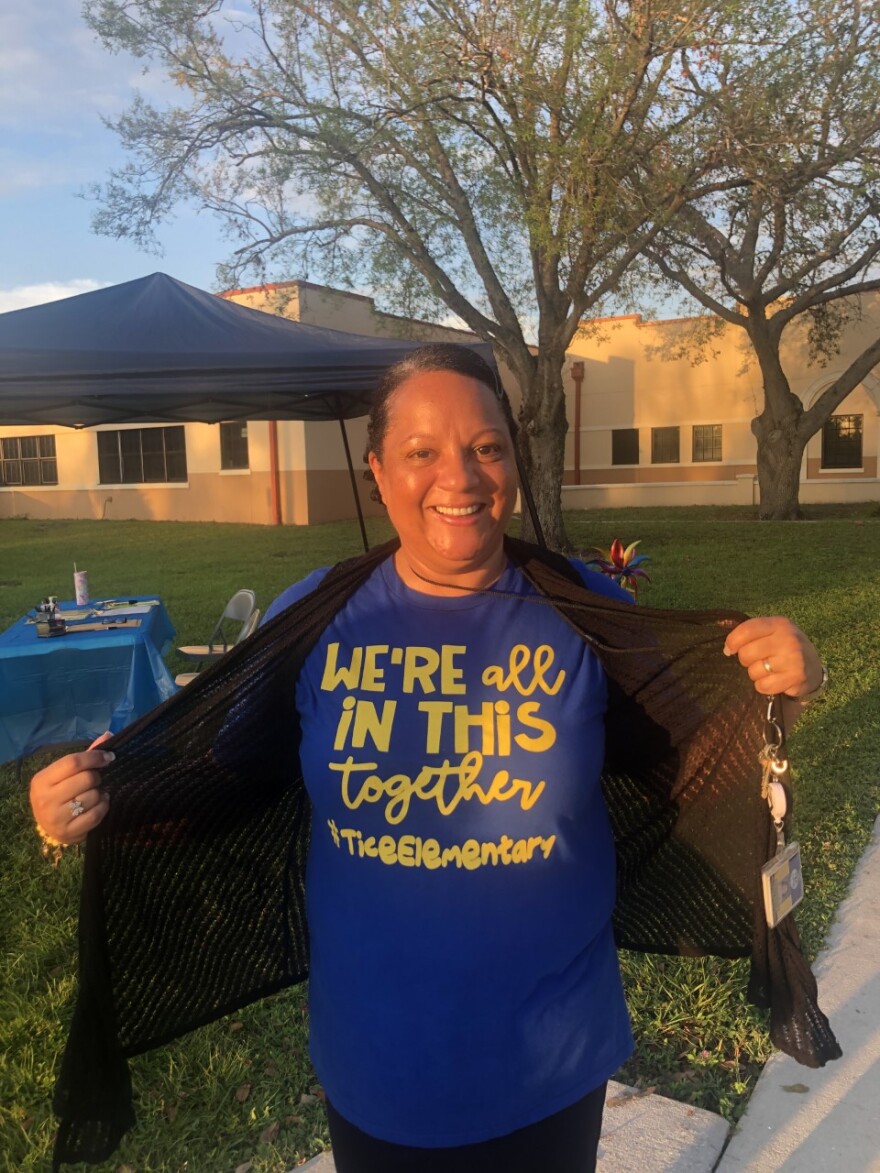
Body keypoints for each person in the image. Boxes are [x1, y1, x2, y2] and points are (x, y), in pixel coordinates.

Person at [30, 344, 828, 1173]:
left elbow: (694, 770)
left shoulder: (582, 608)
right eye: (423, 452)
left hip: (553, 1055)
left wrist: (788, 693)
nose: (462, 477)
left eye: (487, 447)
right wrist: (99, 802)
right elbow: (230, 777)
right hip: (379, 1060)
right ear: (378, 470)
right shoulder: (316, 614)